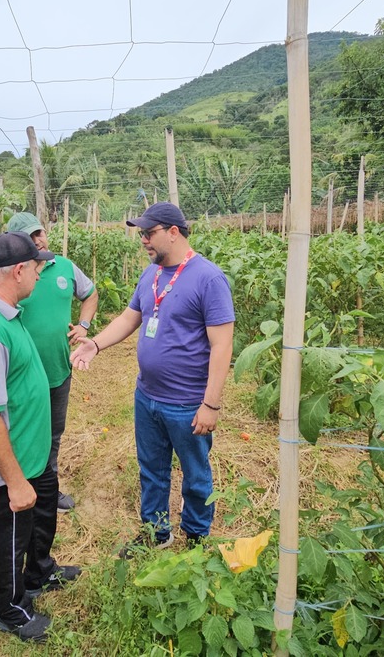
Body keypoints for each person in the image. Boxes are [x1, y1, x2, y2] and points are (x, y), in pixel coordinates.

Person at [68, 202, 234, 554]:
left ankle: (196, 538)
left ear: (174, 232)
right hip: (147, 396)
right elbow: (130, 318)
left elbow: (222, 345)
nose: (143, 239)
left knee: (195, 474)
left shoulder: (208, 278)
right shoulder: (151, 274)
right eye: (141, 233)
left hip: (187, 403)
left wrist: (210, 404)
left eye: (148, 233)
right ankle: (157, 534)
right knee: (152, 470)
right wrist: (95, 344)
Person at [0, 231, 80, 642]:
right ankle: (10, 610)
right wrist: (14, 480)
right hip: (9, 463)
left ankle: (40, 572)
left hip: (31, 453)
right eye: (38, 269)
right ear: (20, 270)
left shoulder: (6, 313)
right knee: (8, 533)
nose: (41, 276)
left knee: (38, 516)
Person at [0, 212, 98, 513]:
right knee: (19, 434)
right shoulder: (3, 274)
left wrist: (83, 325)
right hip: (20, 378)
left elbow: (91, 294)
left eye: (39, 232)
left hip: (57, 370)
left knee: (52, 435)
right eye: (30, 237)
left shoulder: (64, 266)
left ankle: (47, 491)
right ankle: (15, 489)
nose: (38, 240)